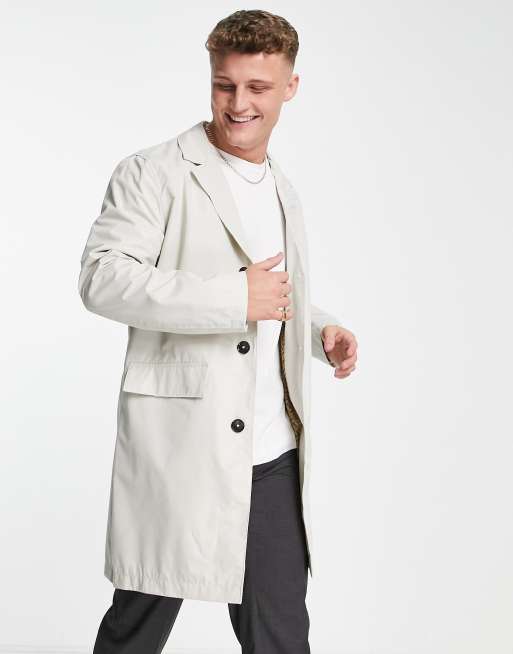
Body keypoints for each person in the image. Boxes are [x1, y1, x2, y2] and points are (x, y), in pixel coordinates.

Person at [78, 9, 358, 654]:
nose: (239, 104)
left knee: (281, 637)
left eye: (258, 87)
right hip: (181, 447)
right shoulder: (153, 172)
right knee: (136, 632)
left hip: (270, 454)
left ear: (290, 87)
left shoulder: (282, 187)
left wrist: (322, 329)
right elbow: (102, 278)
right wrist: (234, 296)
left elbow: (273, 293)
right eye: (224, 85)